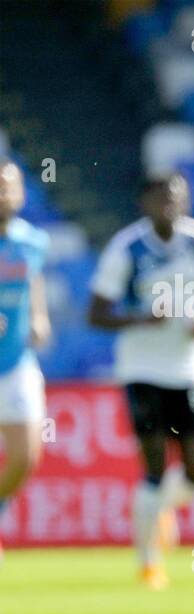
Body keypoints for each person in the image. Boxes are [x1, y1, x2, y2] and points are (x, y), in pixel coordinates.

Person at [89, 174, 194, 589]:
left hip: (189, 370)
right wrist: (141, 319)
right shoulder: (127, 248)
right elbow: (96, 313)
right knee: (153, 467)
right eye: (159, 197)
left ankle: (157, 514)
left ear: (186, 200)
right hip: (143, 369)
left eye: (176, 197)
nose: (168, 204)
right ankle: (149, 561)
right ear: (144, 202)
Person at [0, 160, 51, 562]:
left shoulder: (32, 240)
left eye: (10, 187)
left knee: (26, 457)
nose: (5, 194)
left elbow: (33, 280)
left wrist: (39, 316)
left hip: (17, 362)